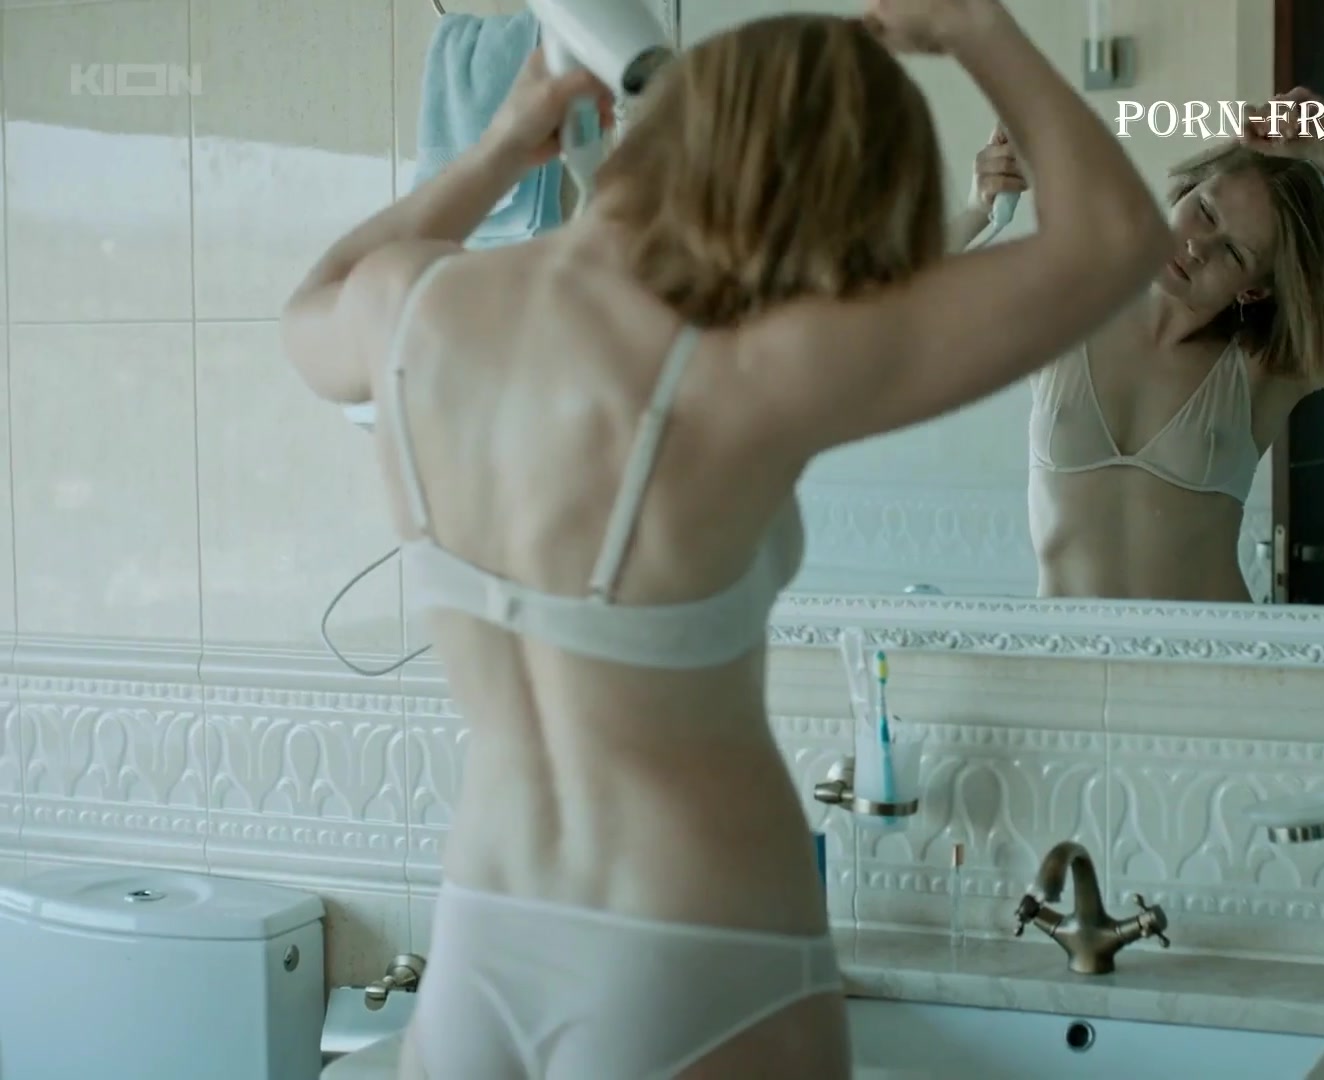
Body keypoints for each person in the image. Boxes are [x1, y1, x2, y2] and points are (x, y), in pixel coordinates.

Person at [278, 1, 1168, 1077]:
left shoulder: (409, 310)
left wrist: (501, 149)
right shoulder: (749, 369)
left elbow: (311, 300)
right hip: (695, 939)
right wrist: (978, 29)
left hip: (483, 924)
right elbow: (1117, 241)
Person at [955, 89, 1324, 603]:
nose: (1195, 246)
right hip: (1066, 652)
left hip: (1209, 655)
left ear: (1255, 289)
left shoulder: (1270, 366)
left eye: (1233, 251)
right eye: (1204, 212)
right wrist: (977, 211)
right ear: (1185, 190)